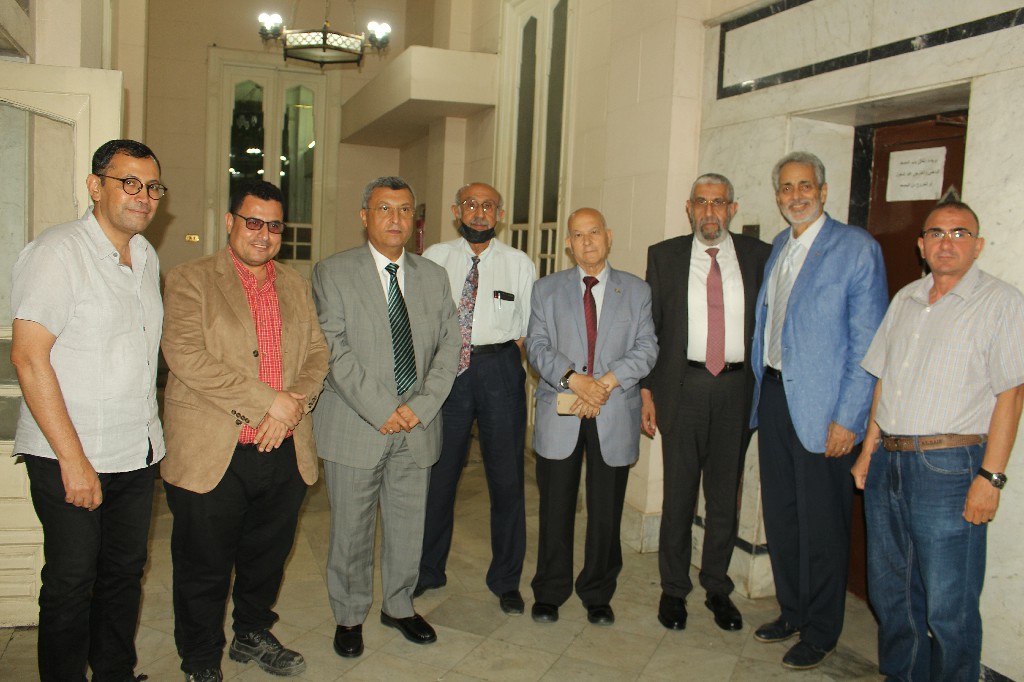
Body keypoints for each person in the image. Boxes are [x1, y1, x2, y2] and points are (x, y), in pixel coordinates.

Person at [160, 180, 329, 682]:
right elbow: (185, 356)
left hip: (284, 449)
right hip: (214, 451)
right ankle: (200, 658)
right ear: (230, 222)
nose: (263, 234)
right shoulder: (190, 279)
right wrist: (267, 402)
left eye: (274, 226)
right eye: (253, 222)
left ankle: (251, 633)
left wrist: (288, 409)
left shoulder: (295, 285)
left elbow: (317, 354)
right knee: (203, 565)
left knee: (266, 558)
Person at [10, 139, 166, 682]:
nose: (143, 196)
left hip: (135, 450)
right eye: (129, 183)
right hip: (70, 453)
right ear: (95, 186)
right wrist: (73, 460)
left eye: (152, 187)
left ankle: (115, 673)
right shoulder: (58, 252)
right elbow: (28, 358)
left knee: (124, 574)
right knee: (72, 582)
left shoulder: (146, 256)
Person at [851, 200, 1024, 682]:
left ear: (978, 245)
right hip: (888, 461)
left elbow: (1011, 396)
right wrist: (868, 450)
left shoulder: (1001, 302)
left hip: (950, 467)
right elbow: (883, 380)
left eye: (960, 233)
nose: (947, 243)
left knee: (950, 605)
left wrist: (991, 478)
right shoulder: (905, 298)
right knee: (892, 594)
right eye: (937, 234)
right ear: (921, 245)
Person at [749, 151, 888, 669]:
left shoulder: (856, 249)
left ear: (824, 191)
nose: (796, 195)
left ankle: (823, 629)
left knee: (823, 525)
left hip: (826, 409)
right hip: (775, 397)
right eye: (786, 188)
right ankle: (793, 611)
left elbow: (867, 345)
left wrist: (849, 419)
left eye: (805, 185)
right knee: (783, 515)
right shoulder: (780, 246)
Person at [312, 176, 460, 659]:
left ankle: (399, 605)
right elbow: (333, 350)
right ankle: (349, 614)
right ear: (364, 216)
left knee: (407, 525)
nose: (395, 219)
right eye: (384, 209)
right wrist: (383, 409)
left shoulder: (434, 276)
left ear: (414, 218)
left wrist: (417, 408)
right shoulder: (333, 272)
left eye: (404, 210)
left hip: (417, 426)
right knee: (351, 530)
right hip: (357, 425)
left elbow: (450, 348)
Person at [641, 173, 771, 632]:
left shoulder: (759, 256)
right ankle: (674, 589)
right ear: (689, 208)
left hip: (737, 390)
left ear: (732, 209)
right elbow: (651, 330)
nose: (710, 211)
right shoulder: (665, 256)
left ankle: (717, 586)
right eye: (701, 202)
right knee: (678, 495)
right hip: (683, 388)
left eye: (719, 202)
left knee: (723, 497)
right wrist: (647, 392)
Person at [525, 208, 657, 626]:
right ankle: (550, 591)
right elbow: (537, 346)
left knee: (605, 511)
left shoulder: (636, 291)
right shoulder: (545, 290)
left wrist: (605, 384)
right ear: (568, 243)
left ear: (608, 235)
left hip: (613, 410)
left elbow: (647, 348)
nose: (587, 242)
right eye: (578, 235)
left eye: (594, 232)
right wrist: (574, 380)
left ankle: (598, 592)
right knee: (555, 508)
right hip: (561, 411)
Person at [417, 182, 536, 614]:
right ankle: (427, 570)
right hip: (446, 371)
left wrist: (501, 360)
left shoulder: (519, 263)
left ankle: (506, 579)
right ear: (456, 211)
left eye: (488, 206)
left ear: (499, 214)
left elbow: (527, 329)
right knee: (439, 477)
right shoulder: (435, 257)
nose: (479, 212)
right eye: (471, 204)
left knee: (507, 480)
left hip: (499, 370)